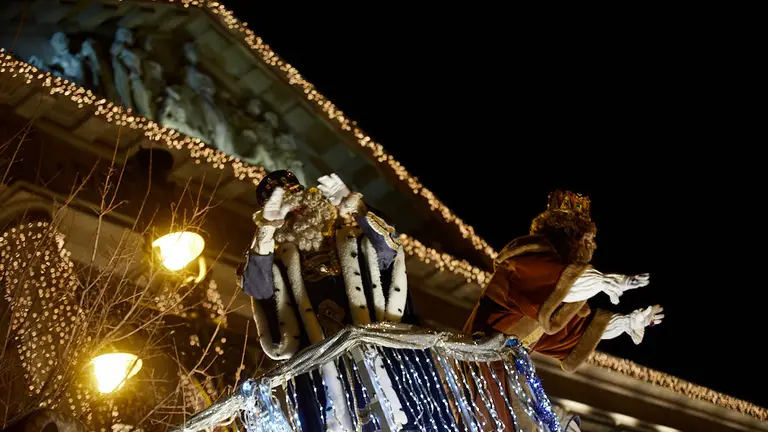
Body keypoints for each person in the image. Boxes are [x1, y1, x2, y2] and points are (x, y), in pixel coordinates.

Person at [240, 170, 446, 432]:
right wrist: (267, 228)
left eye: (298, 199)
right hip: (322, 372)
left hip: (381, 355)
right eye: (285, 207)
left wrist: (358, 207)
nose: (297, 210)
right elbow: (256, 287)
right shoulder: (277, 262)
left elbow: (389, 249)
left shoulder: (354, 239)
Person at [463, 190, 664, 430]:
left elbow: (575, 331)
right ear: (566, 236)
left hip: (506, 374)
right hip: (480, 370)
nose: (593, 246)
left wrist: (627, 323)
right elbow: (555, 282)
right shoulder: (523, 262)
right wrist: (604, 281)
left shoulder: (553, 295)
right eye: (587, 240)